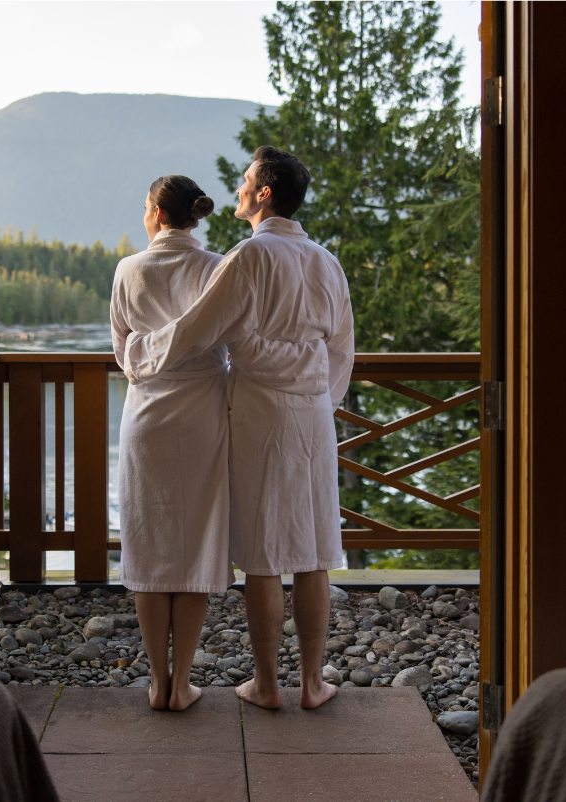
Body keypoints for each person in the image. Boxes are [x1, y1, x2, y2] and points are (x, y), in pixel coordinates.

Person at [123, 146, 355, 711]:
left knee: (264, 551)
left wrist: (139, 354)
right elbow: (342, 350)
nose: (238, 187)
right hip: (313, 414)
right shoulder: (326, 261)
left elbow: (198, 329)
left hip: (259, 410)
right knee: (315, 547)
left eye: (246, 180)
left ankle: (268, 685)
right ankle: (313, 683)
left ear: (264, 193)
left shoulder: (249, 257)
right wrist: (320, 395)